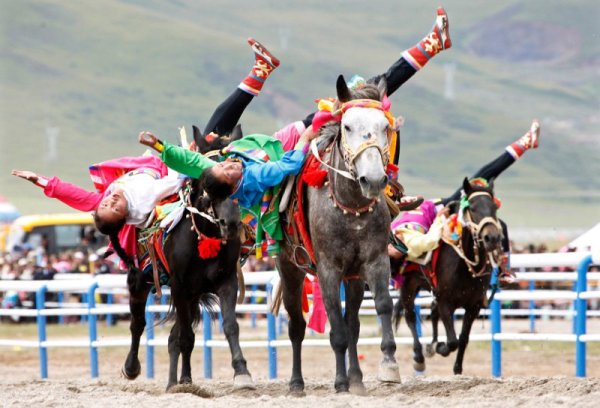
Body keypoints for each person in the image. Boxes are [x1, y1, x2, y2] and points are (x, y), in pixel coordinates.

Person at [10, 38, 280, 263]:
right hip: (178, 172)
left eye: (104, 204)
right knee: (218, 124)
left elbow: (75, 196)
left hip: (166, 165)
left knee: (219, 123)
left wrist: (42, 181)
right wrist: (181, 154)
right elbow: (176, 179)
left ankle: (261, 71)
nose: (109, 201)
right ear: (124, 217)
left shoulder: (107, 197)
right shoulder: (144, 202)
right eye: (113, 208)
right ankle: (260, 72)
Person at [388, 120, 541, 282]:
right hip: (437, 212)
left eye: (389, 247)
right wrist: (441, 216)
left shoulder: (387, 235)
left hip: (430, 205)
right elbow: (431, 240)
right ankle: (504, 268)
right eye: (393, 250)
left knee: (482, 178)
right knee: (482, 181)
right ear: (398, 256)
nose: (391, 246)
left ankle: (526, 142)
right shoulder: (412, 245)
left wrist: (395, 132)